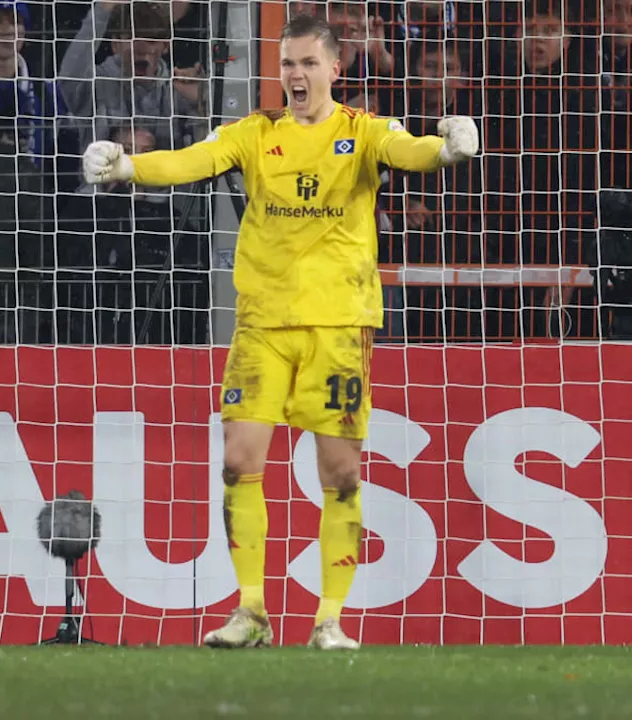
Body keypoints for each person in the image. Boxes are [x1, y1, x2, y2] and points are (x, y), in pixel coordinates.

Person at [81, 13, 479, 650]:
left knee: (340, 472)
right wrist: (130, 166)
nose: (295, 75)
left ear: (334, 68)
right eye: (287, 63)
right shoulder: (254, 132)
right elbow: (192, 161)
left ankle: (330, 620)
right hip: (262, 322)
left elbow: (412, 151)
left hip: (339, 323)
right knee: (239, 462)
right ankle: (252, 613)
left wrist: (448, 148)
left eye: (307, 63)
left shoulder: (364, 132)